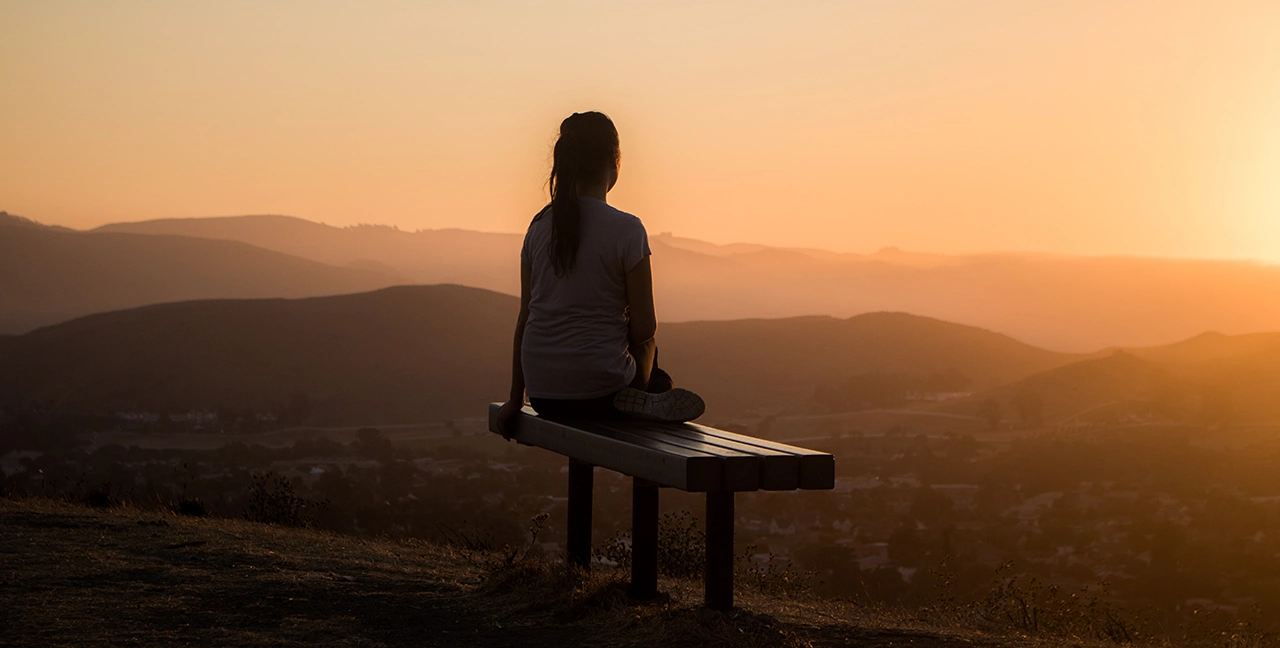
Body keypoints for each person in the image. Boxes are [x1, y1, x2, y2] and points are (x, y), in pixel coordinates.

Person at [494, 111, 704, 438]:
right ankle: (650, 394)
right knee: (649, 345)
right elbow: (645, 327)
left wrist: (513, 399)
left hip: (543, 395)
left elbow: (525, 319)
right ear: (614, 162)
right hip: (603, 393)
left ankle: (645, 394)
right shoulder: (627, 229)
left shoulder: (537, 227)